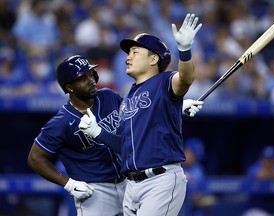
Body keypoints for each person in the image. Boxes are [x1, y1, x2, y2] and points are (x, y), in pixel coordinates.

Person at [79, 13, 203, 216]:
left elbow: (185, 79)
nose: (128, 57)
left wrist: (185, 50)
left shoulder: (164, 80)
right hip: (132, 185)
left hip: (160, 180)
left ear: (154, 59)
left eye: (135, 52)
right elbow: (124, 146)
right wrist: (97, 132)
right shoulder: (128, 96)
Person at [27, 55, 126, 216]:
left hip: (128, 182)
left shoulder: (109, 96)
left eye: (91, 74)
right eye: (82, 78)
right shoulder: (61, 122)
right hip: (96, 192)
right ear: (70, 87)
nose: (91, 80)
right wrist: (68, 184)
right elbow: (35, 158)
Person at [243, 145, 274, 216]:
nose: (268, 162)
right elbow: (262, 175)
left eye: (271, 160)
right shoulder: (254, 167)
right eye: (266, 159)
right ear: (261, 159)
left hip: (273, 210)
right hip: (255, 210)